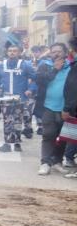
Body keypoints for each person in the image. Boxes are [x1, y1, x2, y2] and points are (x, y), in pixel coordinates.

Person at [34, 42, 73, 175]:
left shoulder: (71, 67)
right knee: (48, 135)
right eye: (53, 51)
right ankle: (45, 162)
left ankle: (57, 161)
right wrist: (55, 69)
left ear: (65, 53)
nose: (56, 54)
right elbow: (39, 80)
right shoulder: (45, 66)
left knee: (62, 137)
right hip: (48, 107)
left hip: (66, 109)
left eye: (59, 51)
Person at [0, 43, 36, 152]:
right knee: (7, 120)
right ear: (7, 52)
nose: (12, 52)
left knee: (18, 121)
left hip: (20, 99)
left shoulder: (26, 65)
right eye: (10, 50)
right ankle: (7, 143)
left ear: (19, 53)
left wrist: (30, 89)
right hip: (5, 99)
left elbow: (34, 78)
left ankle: (17, 143)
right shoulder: (1, 65)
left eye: (15, 51)